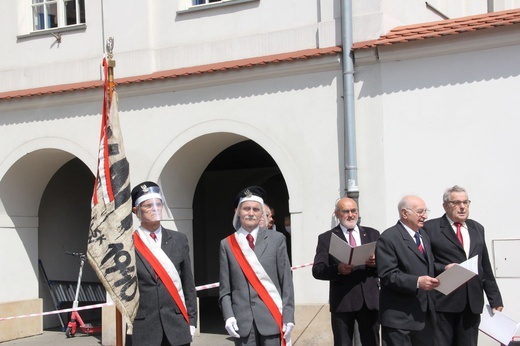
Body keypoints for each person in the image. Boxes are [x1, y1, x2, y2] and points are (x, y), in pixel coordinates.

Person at [423, 185, 503, 346]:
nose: (462, 207)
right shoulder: (430, 228)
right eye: (457, 202)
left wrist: (495, 299)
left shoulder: (476, 228)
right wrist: (442, 268)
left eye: (466, 202)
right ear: (445, 206)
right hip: (443, 302)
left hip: (471, 302)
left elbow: (484, 265)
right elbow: (424, 262)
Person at [219, 186, 295, 346]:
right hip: (243, 323)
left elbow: (286, 283)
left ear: (262, 213)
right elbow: (225, 290)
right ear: (238, 212)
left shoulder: (277, 239)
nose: (251, 213)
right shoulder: (227, 244)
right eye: (246, 208)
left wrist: (288, 317)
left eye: (255, 209)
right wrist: (229, 316)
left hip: (272, 319)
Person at [128, 181, 197, 346]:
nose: (154, 208)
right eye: (148, 205)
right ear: (136, 211)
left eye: (158, 204)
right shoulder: (129, 243)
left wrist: (192, 321)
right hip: (144, 327)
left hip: (177, 325)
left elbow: (188, 283)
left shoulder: (179, 240)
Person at [312, 197, 380, 346]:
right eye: (345, 211)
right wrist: (338, 269)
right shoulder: (327, 238)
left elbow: (387, 266)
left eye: (353, 211)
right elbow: (318, 270)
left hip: (369, 301)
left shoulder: (372, 234)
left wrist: (376, 263)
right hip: (343, 301)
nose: (350, 215)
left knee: (372, 341)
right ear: (337, 214)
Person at [376, 195, 439, 346]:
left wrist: (445, 268)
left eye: (426, 211)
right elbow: (387, 274)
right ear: (404, 213)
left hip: (424, 315)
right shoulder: (389, 237)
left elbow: (425, 265)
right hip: (400, 318)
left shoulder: (423, 235)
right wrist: (417, 282)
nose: (425, 216)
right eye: (420, 211)